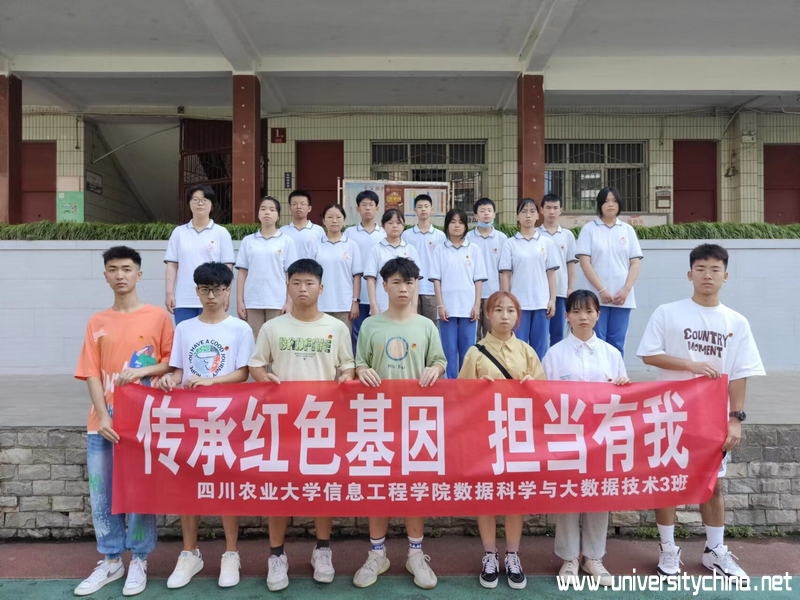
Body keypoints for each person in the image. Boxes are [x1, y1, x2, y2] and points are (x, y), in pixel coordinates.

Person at [636, 244, 764, 584]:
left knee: (712, 485)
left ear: (726, 275)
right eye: (701, 268)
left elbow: (740, 372)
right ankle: (667, 549)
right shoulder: (668, 312)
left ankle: (715, 550)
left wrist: (735, 417)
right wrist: (689, 365)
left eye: (715, 269)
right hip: (670, 414)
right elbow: (648, 354)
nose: (708, 275)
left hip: (712, 418)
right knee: (668, 483)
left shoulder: (736, 321)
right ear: (689, 273)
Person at [248, 258, 356, 591]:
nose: (302, 289)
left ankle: (322, 550)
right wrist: (264, 377)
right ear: (288, 286)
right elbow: (256, 365)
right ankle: (276, 555)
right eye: (296, 283)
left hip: (322, 422)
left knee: (322, 488)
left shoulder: (336, 328)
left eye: (309, 283)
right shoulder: (273, 328)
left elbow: (347, 367)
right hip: (281, 423)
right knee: (279, 489)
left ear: (321, 288)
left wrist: (346, 379)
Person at [74, 246, 174, 597]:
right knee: (102, 494)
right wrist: (102, 414)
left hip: (144, 421)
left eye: (127, 269)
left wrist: (144, 371)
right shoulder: (97, 322)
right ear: (106, 275)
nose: (120, 275)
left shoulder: (158, 317)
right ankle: (112, 559)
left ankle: (140, 559)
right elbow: (90, 372)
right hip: (103, 423)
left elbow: (171, 362)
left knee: (140, 491)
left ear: (139, 274)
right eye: (114, 269)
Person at [157, 262, 254, 590]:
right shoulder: (185, 328)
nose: (211, 296)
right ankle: (189, 553)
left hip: (227, 418)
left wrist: (211, 381)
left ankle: (231, 553)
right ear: (196, 291)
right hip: (190, 417)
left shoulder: (239, 329)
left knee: (226, 484)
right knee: (189, 484)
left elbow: (243, 372)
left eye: (217, 289)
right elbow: (178, 371)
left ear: (228, 291)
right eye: (204, 289)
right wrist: (169, 381)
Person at [353, 257, 446, 590]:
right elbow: (359, 362)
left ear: (416, 285)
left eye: (409, 282)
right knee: (378, 487)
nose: (403, 288)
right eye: (396, 282)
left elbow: (440, 361)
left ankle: (415, 554)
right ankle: (377, 553)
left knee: (413, 487)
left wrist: (435, 369)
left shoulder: (426, 326)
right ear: (384, 286)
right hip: (377, 418)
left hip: (415, 421)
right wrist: (361, 370)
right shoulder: (370, 325)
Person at [542, 290, 629, 589]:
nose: (583, 317)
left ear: (598, 315)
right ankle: (568, 558)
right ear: (566, 316)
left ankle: (593, 557)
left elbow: (623, 397)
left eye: (589, 311)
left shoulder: (611, 354)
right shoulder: (554, 354)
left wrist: (624, 385)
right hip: (566, 438)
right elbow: (543, 397)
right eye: (577, 311)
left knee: (597, 495)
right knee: (568, 494)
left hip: (601, 439)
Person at [458, 291, 545, 591]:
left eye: (510, 310)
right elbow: (459, 396)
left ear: (518, 316)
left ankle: (513, 555)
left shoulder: (527, 352)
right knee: (487, 496)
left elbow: (545, 396)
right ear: (487, 315)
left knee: (513, 496)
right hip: (484, 436)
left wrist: (533, 387)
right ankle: (489, 555)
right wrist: (476, 388)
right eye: (498, 310)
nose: (504, 316)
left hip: (518, 436)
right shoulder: (475, 353)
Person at [576, 187, 642, 356]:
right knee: (597, 341)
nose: (610, 205)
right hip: (596, 299)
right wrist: (601, 290)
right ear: (600, 205)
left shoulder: (627, 230)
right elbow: (585, 262)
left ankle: (617, 373)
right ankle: (597, 374)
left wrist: (626, 289)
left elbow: (635, 263)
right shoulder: (589, 229)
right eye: (606, 201)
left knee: (617, 342)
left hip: (622, 299)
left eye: (614, 201)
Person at [165, 185, 234, 325]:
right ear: (189, 204)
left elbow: (227, 267)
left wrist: (226, 294)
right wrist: (169, 293)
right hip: (184, 299)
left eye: (204, 200)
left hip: (213, 297)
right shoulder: (179, 232)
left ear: (211, 205)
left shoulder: (221, 233)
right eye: (195, 200)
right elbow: (172, 265)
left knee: (212, 336)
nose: (200, 203)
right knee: (186, 336)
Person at [430, 208, 487, 379]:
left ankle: (466, 384)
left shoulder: (474, 249)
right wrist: (440, 305)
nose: (457, 226)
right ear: (447, 225)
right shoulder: (439, 249)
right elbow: (436, 280)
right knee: (447, 351)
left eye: (461, 222)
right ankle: (450, 385)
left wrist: (477, 305)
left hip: (468, 308)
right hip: (447, 308)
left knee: (468, 351)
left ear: (465, 226)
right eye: (453, 222)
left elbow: (478, 280)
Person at [498, 198, 558, 359]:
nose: (528, 215)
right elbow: (505, 274)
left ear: (538, 215)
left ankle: (538, 375)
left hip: (541, 303)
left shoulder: (546, 242)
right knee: (517, 347)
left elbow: (551, 273)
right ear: (517, 216)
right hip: (518, 304)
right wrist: (506, 301)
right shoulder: (510, 244)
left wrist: (552, 300)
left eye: (532, 211)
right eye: (524, 212)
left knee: (540, 348)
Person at [235, 195, 298, 339]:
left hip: (277, 301)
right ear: (258, 214)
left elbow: (291, 275)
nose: (267, 212)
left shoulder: (286, 241)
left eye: (272, 209)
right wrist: (239, 301)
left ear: (278, 215)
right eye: (263, 209)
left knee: (276, 341)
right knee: (255, 341)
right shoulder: (248, 241)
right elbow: (242, 274)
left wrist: (290, 302)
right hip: (252, 300)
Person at [308, 204, 363, 331]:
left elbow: (357, 276)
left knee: (343, 339)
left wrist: (355, 301)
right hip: (320, 304)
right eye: (330, 217)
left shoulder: (351, 245)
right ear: (323, 221)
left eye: (338, 217)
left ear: (344, 221)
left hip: (344, 304)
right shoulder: (315, 245)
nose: (334, 220)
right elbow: (310, 276)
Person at [346, 190, 386, 352]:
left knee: (378, 333)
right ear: (358, 209)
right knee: (357, 332)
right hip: (357, 293)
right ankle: (358, 363)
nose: (367, 208)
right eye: (364, 205)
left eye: (371, 205)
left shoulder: (384, 233)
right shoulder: (349, 233)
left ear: (377, 208)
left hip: (380, 294)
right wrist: (354, 298)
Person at [538, 193, 578, 347]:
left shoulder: (567, 235)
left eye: (555, 208)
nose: (552, 211)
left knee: (558, 333)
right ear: (541, 210)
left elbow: (571, 263)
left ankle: (556, 362)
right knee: (540, 334)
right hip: (540, 291)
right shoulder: (535, 234)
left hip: (561, 291)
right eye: (548, 208)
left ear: (561, 210)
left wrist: (570, 288)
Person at [402, 193, 447, 326]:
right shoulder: (406, 235)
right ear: (415, 210)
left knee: (433, 326)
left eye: (426, 206)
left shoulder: (440, 236)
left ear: (431, 209)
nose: (423, 209)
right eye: (420, 206)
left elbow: (443, 263)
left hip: (432, 289)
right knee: (411, 325)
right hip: (411, 288)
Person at [364, 209, 420, 315]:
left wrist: (414, 305)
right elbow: (370, 280)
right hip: (382, 305)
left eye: (398, 223)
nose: (394, 226)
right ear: (383, 226)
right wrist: (373, 306)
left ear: (403, 226)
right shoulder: (376, 249)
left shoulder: (410, 249)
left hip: (406, 307)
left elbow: (415, 280)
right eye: (390, 223)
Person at [468, 197, 508, 342]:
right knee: (473, 334)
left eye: (489, 210)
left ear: (494, 214)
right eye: (482, 211)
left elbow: (504, 270)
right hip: (471, 294)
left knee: (492, 333)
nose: (486, 214)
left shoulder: (502, 238)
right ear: (475, 216)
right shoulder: (468, 238)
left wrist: (503, 293)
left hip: (493, 293)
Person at [279, 190, 325, 258]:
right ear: (290, 208)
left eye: (302, 204)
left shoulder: (318, 230)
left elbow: (323, 253)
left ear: (309, 208)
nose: (298, 207)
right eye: (294, 204)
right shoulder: (282, 231)